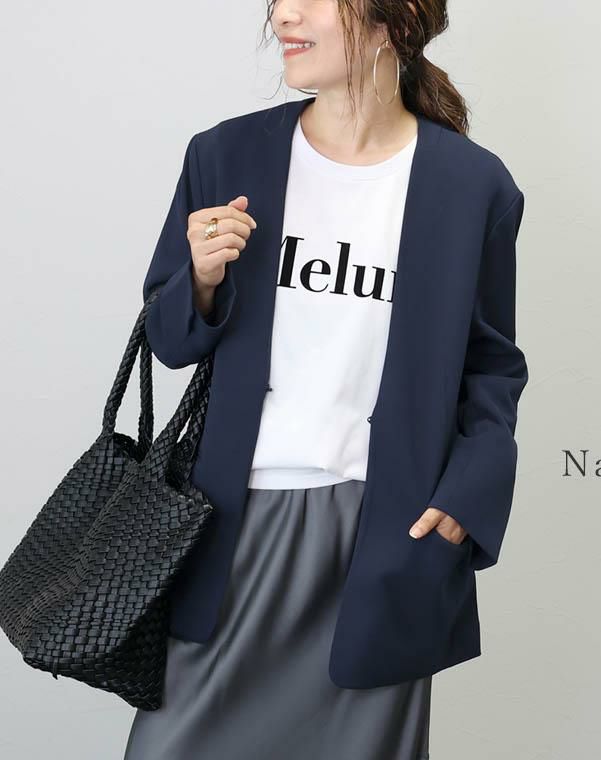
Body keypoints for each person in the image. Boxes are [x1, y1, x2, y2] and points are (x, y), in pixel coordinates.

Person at [124, 1, 528, 758]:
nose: (284, 14)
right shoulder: (227, 154)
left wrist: (466, 498)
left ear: (391, 20)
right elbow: (170, 341)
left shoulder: (472, 186)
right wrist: (201, 279)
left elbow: (492, 364)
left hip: (387, 533)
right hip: (233, 525)